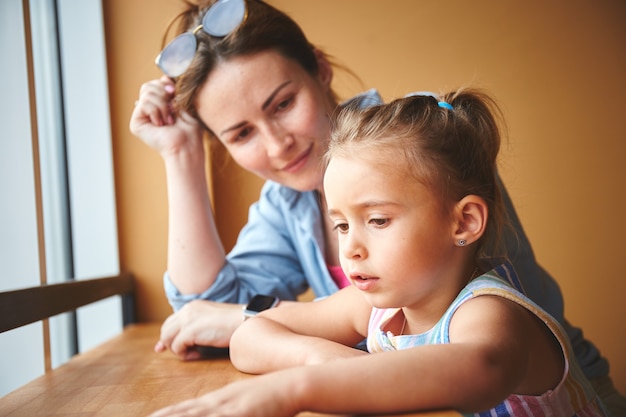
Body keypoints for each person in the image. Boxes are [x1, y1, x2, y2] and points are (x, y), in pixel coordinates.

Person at [129, 0, 625, 413]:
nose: (277, 143)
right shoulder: (341, 266)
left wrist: (293, 386)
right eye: (340, 225)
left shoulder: (431, 146)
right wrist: (181, 154)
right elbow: (225, 325)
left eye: (282, 104)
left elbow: (480, 369)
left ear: (319, 70)